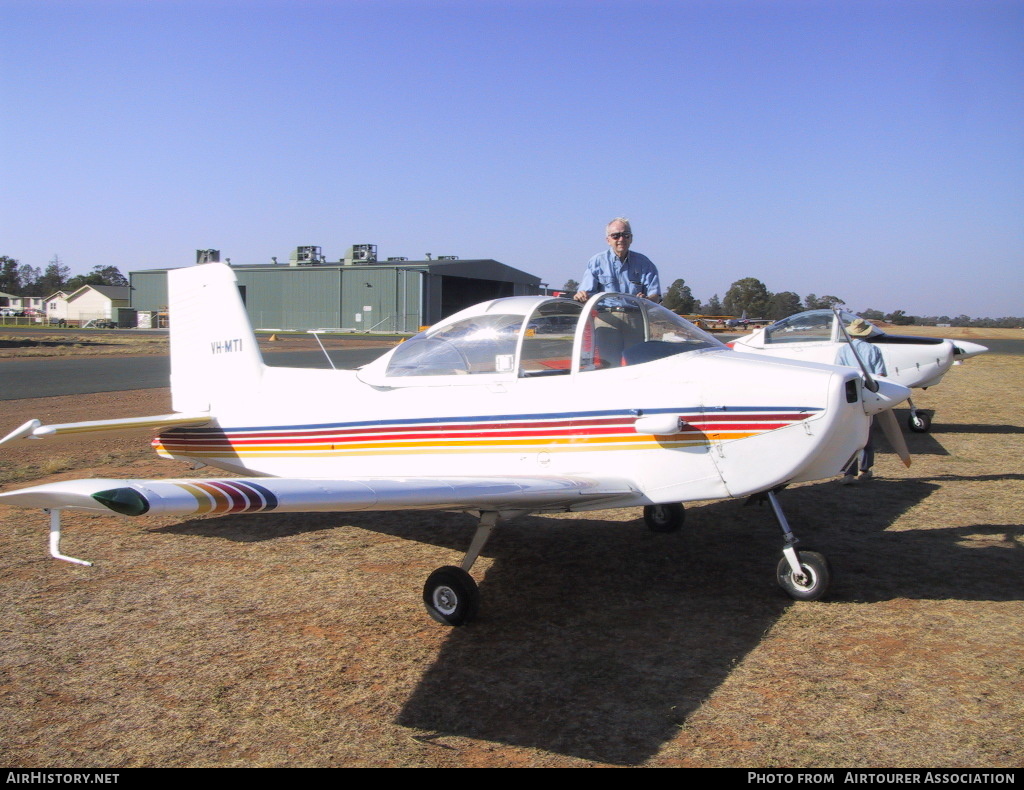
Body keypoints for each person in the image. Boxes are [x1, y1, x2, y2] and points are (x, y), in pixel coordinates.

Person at [836, 318, 887, 484]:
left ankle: (849, 473)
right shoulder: (874, 350)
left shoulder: (843, 351)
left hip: (849, 397)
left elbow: (839, 373)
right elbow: (880, 375)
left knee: (849, 436)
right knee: (867, 435)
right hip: (868, 397)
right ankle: (865, 470)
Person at [574, 217, 661, 303]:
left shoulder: (645, 263)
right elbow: (585, 294)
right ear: (608, 240)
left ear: (631, 238)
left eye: (626, 235)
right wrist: (581, 295)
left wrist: (647, 300)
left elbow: (655, 296)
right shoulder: (596, 262)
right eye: (615, 236)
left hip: (636, 314)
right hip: (605, 314)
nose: (621, 239)